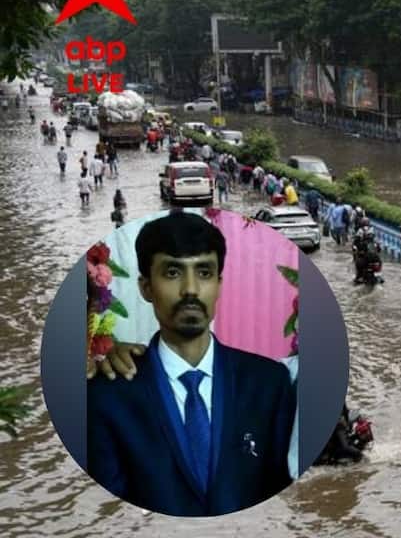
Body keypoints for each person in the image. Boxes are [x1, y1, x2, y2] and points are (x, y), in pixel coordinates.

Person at [86, 212, 295, 516]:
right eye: (172, 272)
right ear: (146, 287)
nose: (191, 290)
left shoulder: (270, 384)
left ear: (219, 284)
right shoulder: (107, 397)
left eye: (204, 273)